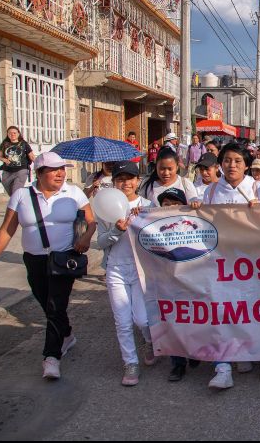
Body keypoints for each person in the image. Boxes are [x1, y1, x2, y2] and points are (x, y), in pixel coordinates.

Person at [0, 152, 96, 379]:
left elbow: (91, 222)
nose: (61, 173)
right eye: (54, 170)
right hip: (34, 260)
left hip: (64, 258)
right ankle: (67, 335)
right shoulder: (21, 195)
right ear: (40, 173)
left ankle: (51, 357)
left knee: (55, 305)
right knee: (47, 303)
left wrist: (85, 238)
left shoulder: (73, 192)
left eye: (62, 169)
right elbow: (7, 229)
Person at [191, 143, 260, 388]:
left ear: (247, 165)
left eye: (238, 161)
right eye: (227, 160)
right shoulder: (210, 191)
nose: (232, 165)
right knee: (220, 308)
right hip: (221, 259)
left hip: (249, 261)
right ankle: (222, 367)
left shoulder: (258, 189)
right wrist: (197, 209)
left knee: (246, 309)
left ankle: (244, 352)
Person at [96, 162, 156, 386]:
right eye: (120, 179)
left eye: (130, 178)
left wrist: (144, 218)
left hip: (141, 269)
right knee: (122, 321)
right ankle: (130, 363)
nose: (126, 183)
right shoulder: (104, 206)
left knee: (142, 318)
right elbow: (101, 242)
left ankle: (149, 341)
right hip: (116, 269)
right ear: (114, 182)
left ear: (137, 181)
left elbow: (159, 235)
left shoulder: (149, 204)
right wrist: (116, 230)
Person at [153, 187, 202, 382]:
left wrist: (199, 209)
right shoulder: (155, 225)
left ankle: (195, 352)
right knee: (173, 320)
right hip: (167, 280)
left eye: (175, 204)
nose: (171, 207)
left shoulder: (192, 223)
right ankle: (178, 363)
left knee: (195, 318)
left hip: (192, 277)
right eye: (166, 204)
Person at [0, 126, 35, 196]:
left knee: (16, 191)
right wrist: (5, 160)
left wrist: (40, 166)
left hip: (21, 170)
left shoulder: (24, 144)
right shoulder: (4, 144)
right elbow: (0, 157)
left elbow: (32, 156)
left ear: (18, 134)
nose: (12, 134)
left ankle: (15, 204)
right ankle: (18, 202)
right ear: (8, 134)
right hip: (7, 170)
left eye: (14, 133)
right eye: (10, 133)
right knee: (11, 193)